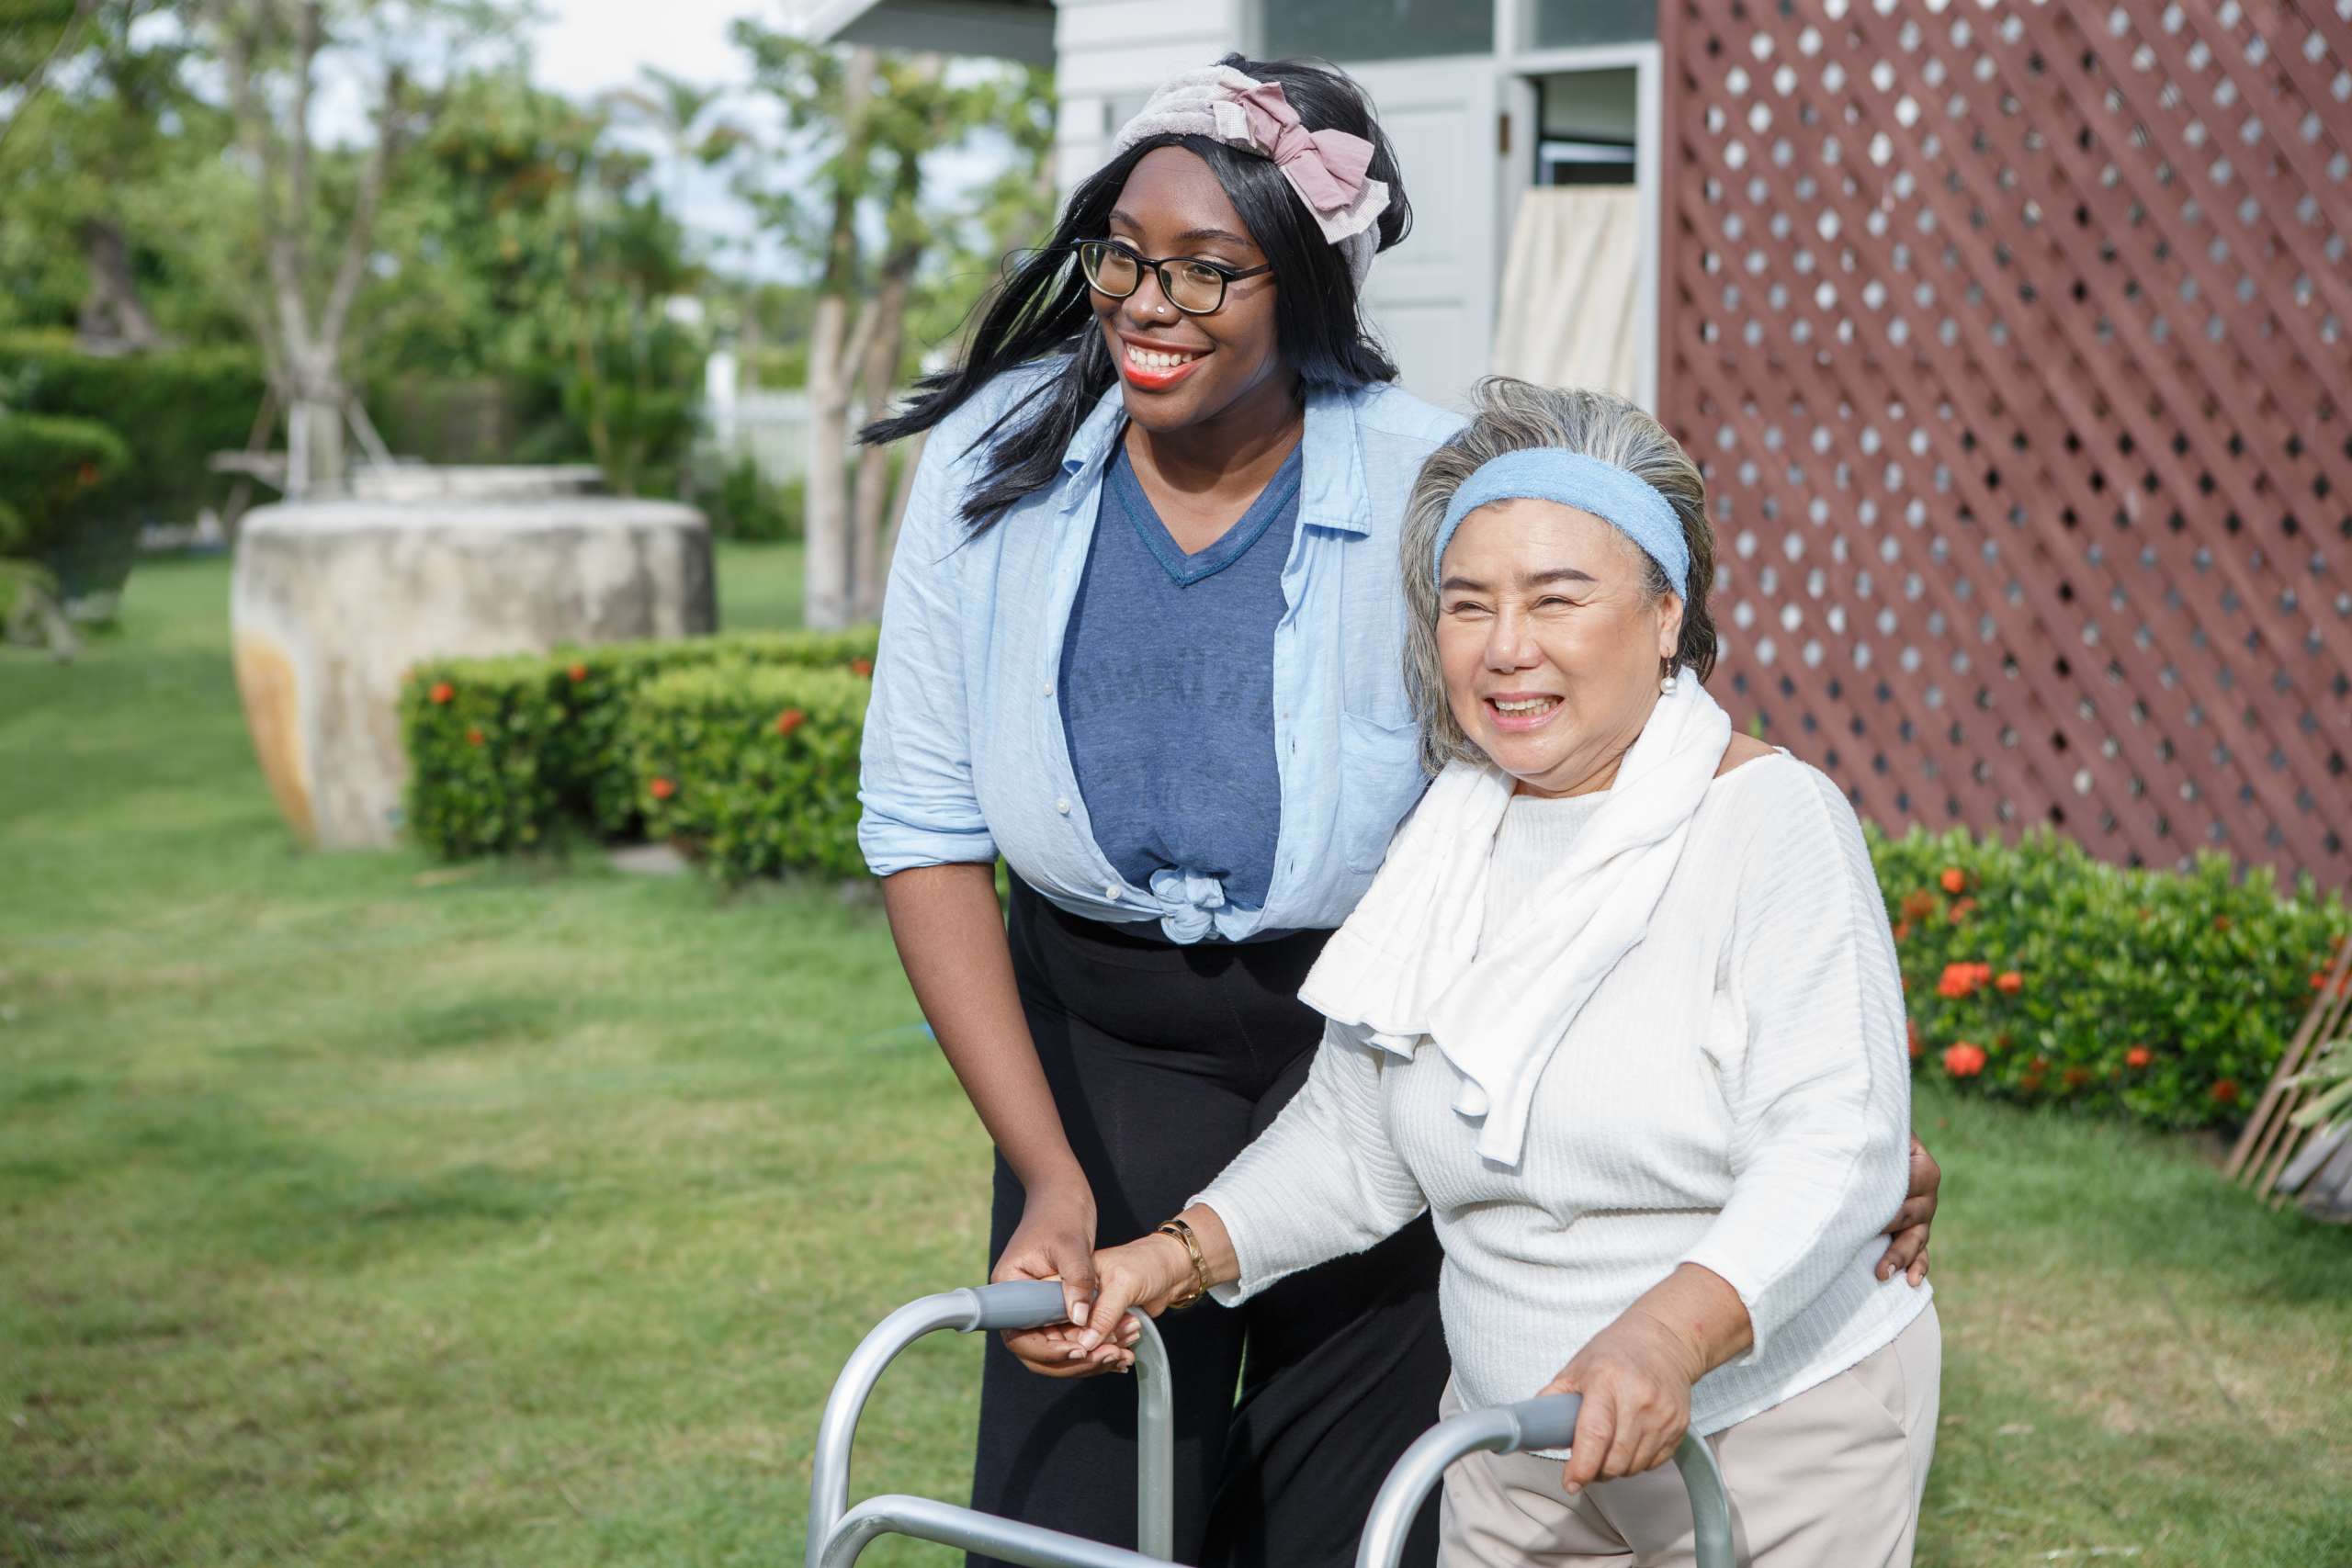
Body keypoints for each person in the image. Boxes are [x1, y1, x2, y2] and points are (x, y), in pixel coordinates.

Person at [856, 54, 1941, 1568]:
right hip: (1105, 1041)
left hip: (1382, 1020)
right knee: (1073, 1504)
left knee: (1348, 1511)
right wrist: (1086, 1202)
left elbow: (1628, 803)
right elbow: (928, 826)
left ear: (1304, 283)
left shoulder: (1449, 491)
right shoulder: (1004, 463)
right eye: (1123, 256)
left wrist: (1838, 1144)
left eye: (1208, 268)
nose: (1150, 301)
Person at [1070, 381, 1942, 1568]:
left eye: (1557, 597)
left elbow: (1835, 1146)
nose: (1505, 646)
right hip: (1509, 1442)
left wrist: (1666, 1340)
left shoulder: (1773, 825)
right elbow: (1354, 1140)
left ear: (1665, 616)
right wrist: (1163, 1260)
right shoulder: (1450, 835)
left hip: (1775, 1430)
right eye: (1467, 604)